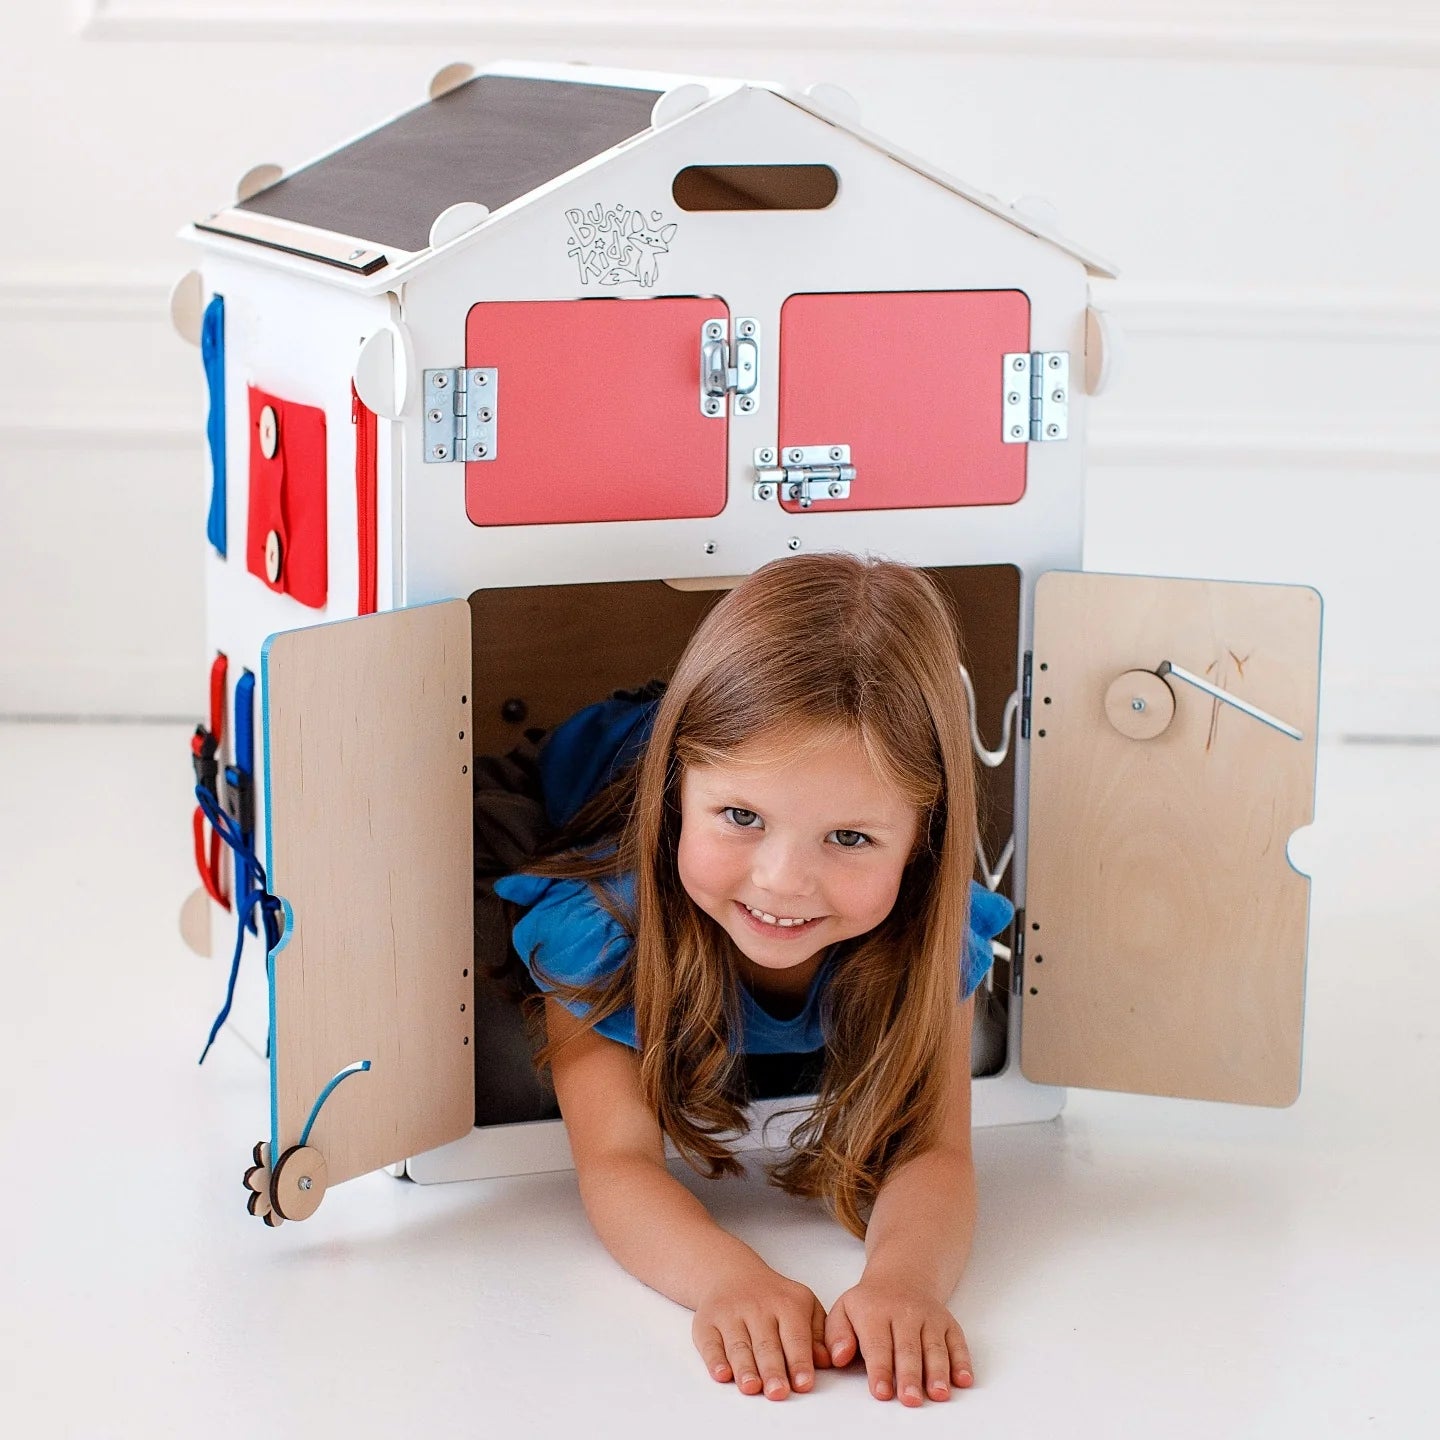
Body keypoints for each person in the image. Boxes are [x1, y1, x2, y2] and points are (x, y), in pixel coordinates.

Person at [493, 553, 1014, 1406]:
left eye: (849, 839)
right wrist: (727, 1278)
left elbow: (935, 1148)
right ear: (677, 797)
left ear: (922, 839)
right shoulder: (602, 924)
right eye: (741, 818)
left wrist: (905, 1282)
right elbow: (617, 1160)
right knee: (503, 1068)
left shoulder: (933, 924)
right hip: (583, 770)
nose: (781, 881)